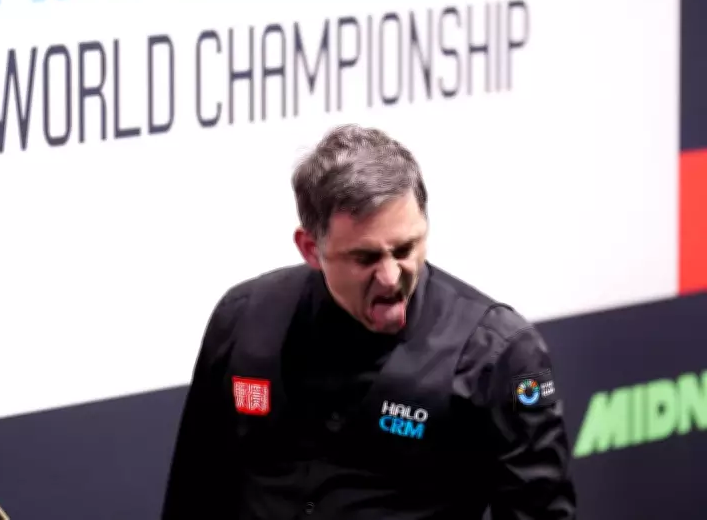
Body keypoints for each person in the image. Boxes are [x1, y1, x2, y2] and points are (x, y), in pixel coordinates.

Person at [160, 124, 577, 519]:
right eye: (365, 258)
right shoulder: (243, 320)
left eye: (405, 249)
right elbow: (194, 497)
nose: (391, 277)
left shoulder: (498, 354)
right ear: (310, 248)